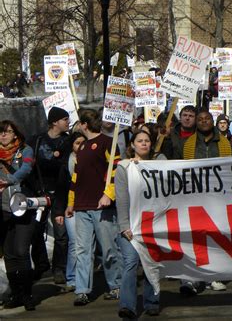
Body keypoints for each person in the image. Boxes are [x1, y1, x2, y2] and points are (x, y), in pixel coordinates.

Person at [66, 109, 122, 306]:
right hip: (81, 207)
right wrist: (71, 202)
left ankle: (116, 285)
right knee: (82, 250)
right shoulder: (81, 148)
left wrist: (109, 194)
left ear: (84, 125)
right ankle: (82, 290)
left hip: (102, 206)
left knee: (108, 248)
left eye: (79, 123)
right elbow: (75, 177)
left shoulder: (108, 143)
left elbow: (116, 170)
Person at [179, 110, 232, 294]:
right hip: (196, 197)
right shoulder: (188, 145)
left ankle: (214, 276)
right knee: (195, 238)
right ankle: (193, 277)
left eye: (207, 119)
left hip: (219, 198)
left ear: (213, 121)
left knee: (217, 237)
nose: (203, 122)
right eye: (200, 119)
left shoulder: (225, 144)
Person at [116, 130, 161, 318]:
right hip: (131, 226)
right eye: (139, 141)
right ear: (132, 145)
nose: (144, 144)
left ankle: (151, 302)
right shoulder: (124, 167)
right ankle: (127, 305)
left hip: (152, 223)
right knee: (131, 262)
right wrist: (124, 225)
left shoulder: (159, 165)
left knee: (151, 262)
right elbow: (122, 198)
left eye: (147, 141)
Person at [28, 107, 71, 284]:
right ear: (55, 122)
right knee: (36, 231)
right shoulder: (36, 141)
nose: (68, 122)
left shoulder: (68, 141)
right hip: (40, 193)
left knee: (61, 235)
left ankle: (59, 269)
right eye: (65, 119)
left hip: (60, 194)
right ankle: (41, 264)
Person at [0, 120, 36, 310]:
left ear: (15, 134)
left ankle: (28, 294)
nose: (3, 135)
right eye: (1, 133)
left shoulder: (25, 150)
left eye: (7, 132)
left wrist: (9, 180)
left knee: (22, 251)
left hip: (21, 206)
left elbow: (26, 169)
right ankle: (16, 294)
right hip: (3, 210)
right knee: (9, 253)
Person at [54, 132, 87, 293]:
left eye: (83, 143)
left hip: (89, 206)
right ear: (71, 146)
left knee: (87, 245)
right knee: (75, 243)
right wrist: (58, 212)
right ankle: (72, 278)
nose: (80, 146)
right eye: (77, 143)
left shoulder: (92, 160)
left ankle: (85, 279)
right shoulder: (65, 164)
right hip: (70, 208)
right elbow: (60, 189)